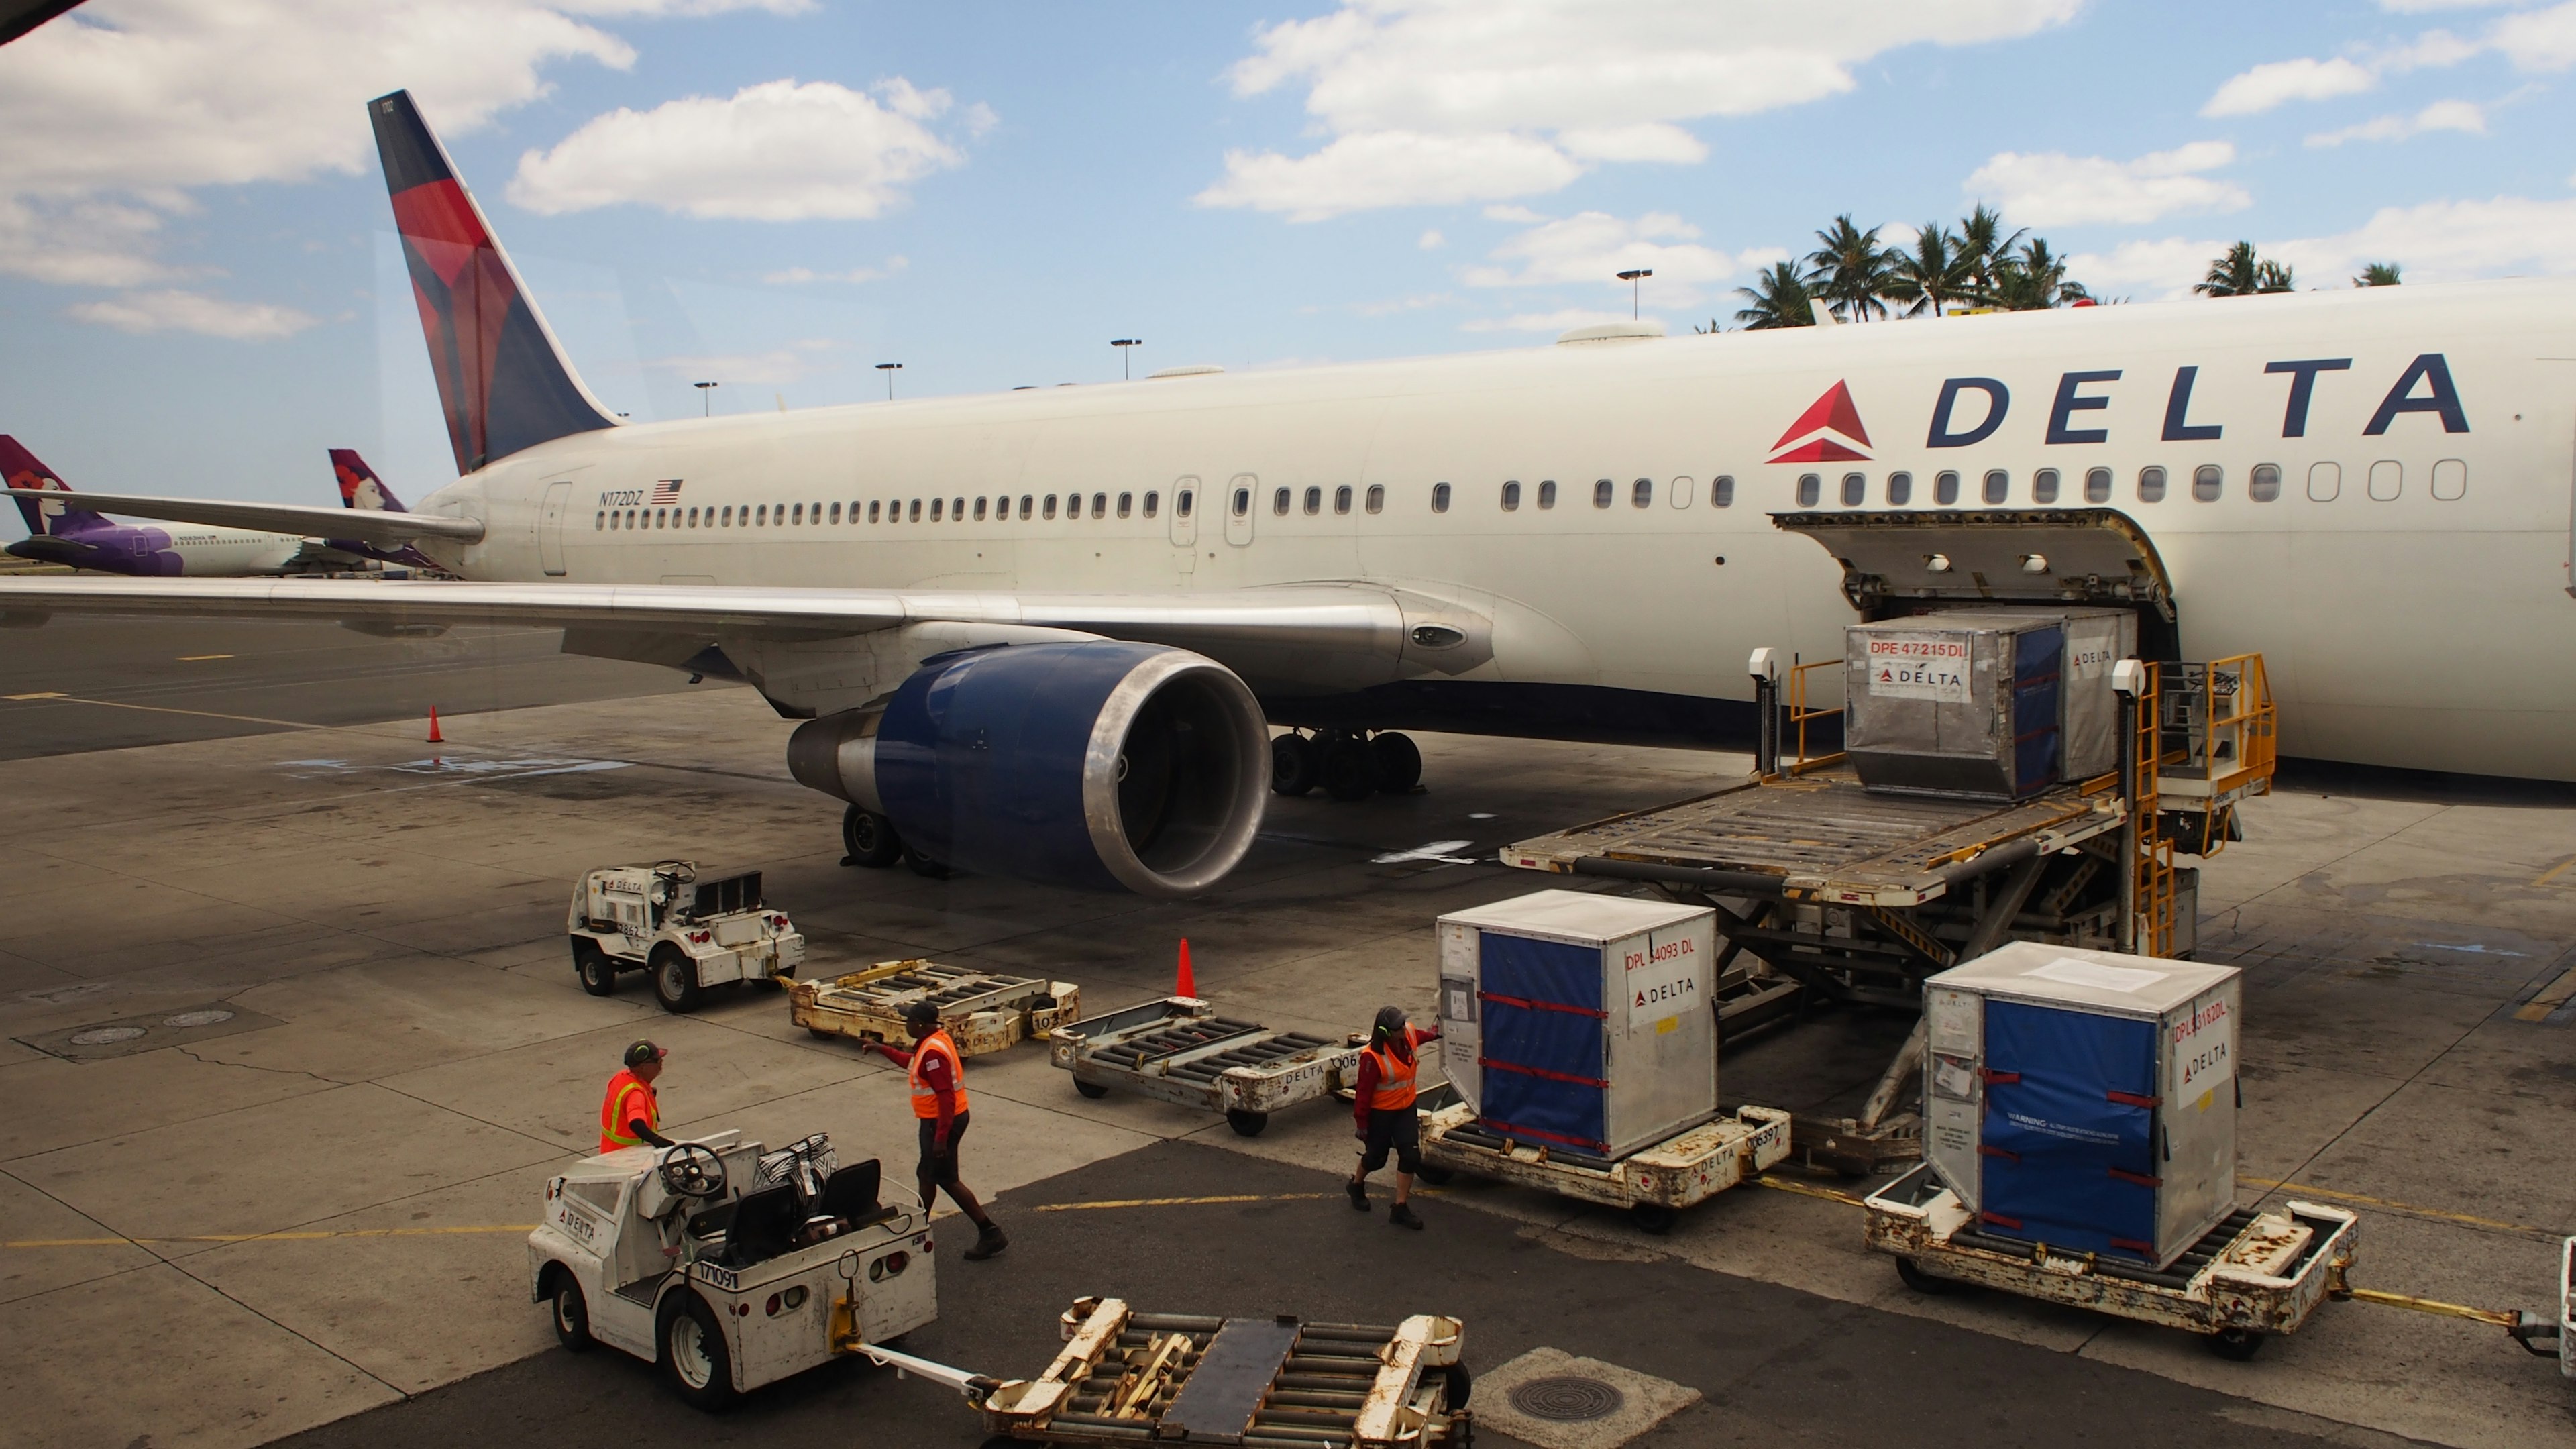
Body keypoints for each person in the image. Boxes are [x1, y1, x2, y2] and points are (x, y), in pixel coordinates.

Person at [865, 1002, 1008, 1260]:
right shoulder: (933, 1041)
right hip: (938, 1121)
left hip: (941, 1122)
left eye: (909, 1020)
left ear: (920, 1024)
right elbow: (911, 1063)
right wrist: (882, 1049)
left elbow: (946, 1096)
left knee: (946, 1179)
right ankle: (918, 1229)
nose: (906, 1024)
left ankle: (990, 1232)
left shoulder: (933, 1054)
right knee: (927, 1175)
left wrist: (941, 1139)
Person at [1348, 1004, 1440, 1229]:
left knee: (1411, 1156)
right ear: (1386, 1033)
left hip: (1406, 1109)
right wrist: (1362, 1123)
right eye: (1397, 1026)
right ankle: (1356, 1184)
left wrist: (1433, 1033)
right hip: (1382, 1115)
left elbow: (1418, 1035)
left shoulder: (1406, 1034)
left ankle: (1400, 1208)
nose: (1403, 1028)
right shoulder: (1372, 1058)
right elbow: (1363, 1093)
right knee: (1376, 1158)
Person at [599, 1038, 676, 1155]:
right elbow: (636, 1122)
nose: (661, 1062)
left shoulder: (621, 1077)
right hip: (627, 1158)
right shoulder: (635, 1093)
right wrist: (656, 1140)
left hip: (610, 1153)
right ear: (643, 1067)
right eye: (657, 1060)